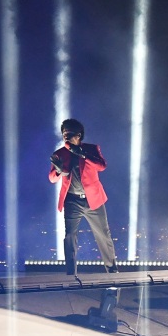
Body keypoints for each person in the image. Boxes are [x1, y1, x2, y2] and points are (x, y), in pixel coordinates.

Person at [48, 118, 117, 275]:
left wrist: (83, 155)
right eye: (64, 133)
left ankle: (112, 272)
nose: (65, 136)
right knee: (70, 237)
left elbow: (102, 166)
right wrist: (58, 171)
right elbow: (52, 178)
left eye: (69, 133)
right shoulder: (59, 154)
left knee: (104, 236)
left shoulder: (92, 149)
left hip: (93, 200)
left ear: (78, 135)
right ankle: (71, 274)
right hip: (72, 200)